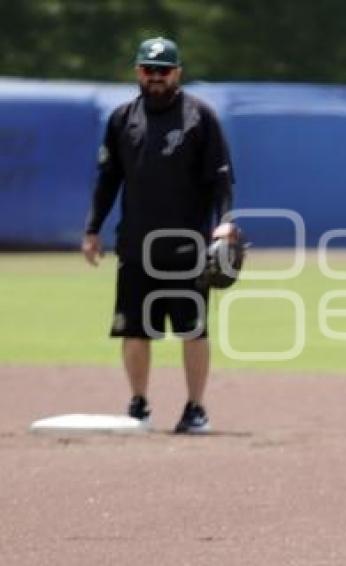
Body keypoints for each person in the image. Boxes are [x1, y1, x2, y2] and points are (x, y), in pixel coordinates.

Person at [81, 37, 236, 433]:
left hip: (188, 245)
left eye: (163, 70)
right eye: (149, 70)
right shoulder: (121, 119)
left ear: (177, 73)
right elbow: (108, 179)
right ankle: (138, 404)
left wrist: (225, 221)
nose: (155, 77)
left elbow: (221, 179)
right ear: (137, 72)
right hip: (136, 245)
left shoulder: (200, 117)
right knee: (133, 329)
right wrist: (93, 228)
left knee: (193, 329)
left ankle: (195, 408)